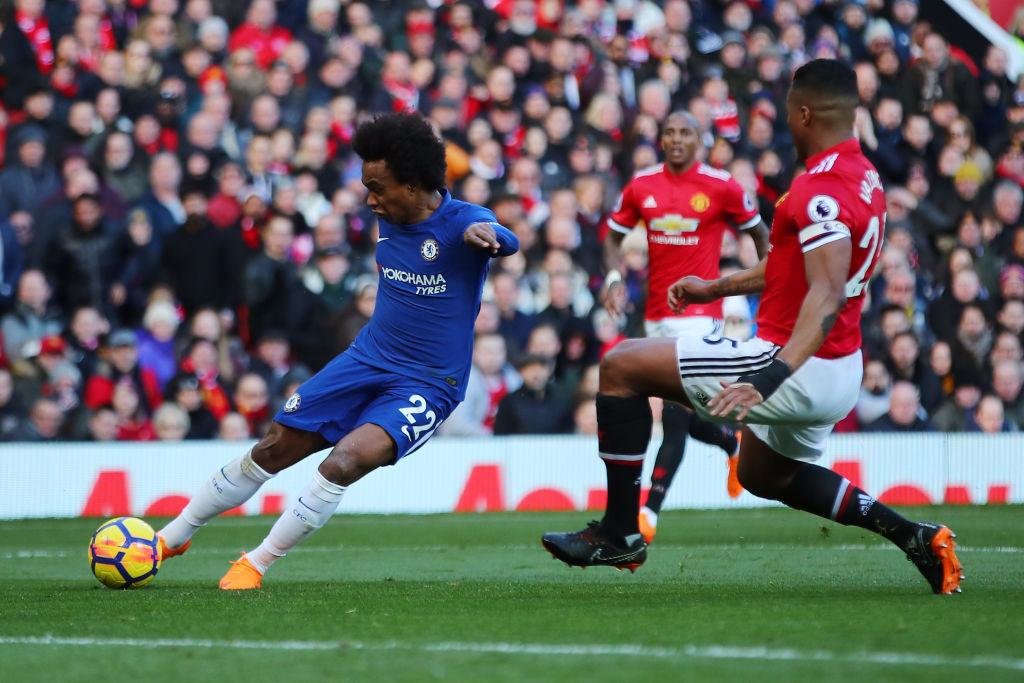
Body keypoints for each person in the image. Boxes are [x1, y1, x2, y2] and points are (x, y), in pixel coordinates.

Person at [541, 60, 963, 595]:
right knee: (762, 475)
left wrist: (769, 377)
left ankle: (620, 531)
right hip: (839, 367)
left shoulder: (819, 190)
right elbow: (792, 264)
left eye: (788, 110)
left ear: (805, 113)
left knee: (620, 366)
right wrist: (715, 288)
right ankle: (913, 536)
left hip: (794, 362)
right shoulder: (864, 176)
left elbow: (827, 293)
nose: (785, 120)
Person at [156, 112, 518, 589]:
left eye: (378, 189)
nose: (370, 200)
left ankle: (255, 564)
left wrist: (491, 239)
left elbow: (502, 235)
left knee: (342, 462)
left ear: (413, 186)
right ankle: (171, 537)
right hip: (366, 360)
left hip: (429, 383)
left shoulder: (463, 221)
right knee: (272, 449)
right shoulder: (391, 217)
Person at [601, 110, 770, 542]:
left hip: (700, 320)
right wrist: (615, 277)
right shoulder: (642, 185)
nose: (676, 139)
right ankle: (732, 443)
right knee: (687, 410)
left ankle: (648, 514)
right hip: (656, 317)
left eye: (685, 133)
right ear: (661, 139)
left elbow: (760, 235)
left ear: (700, 139)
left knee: (675, 419)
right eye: (669, 132)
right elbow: (613, 237)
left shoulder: (722, 186)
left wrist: (765, 282)